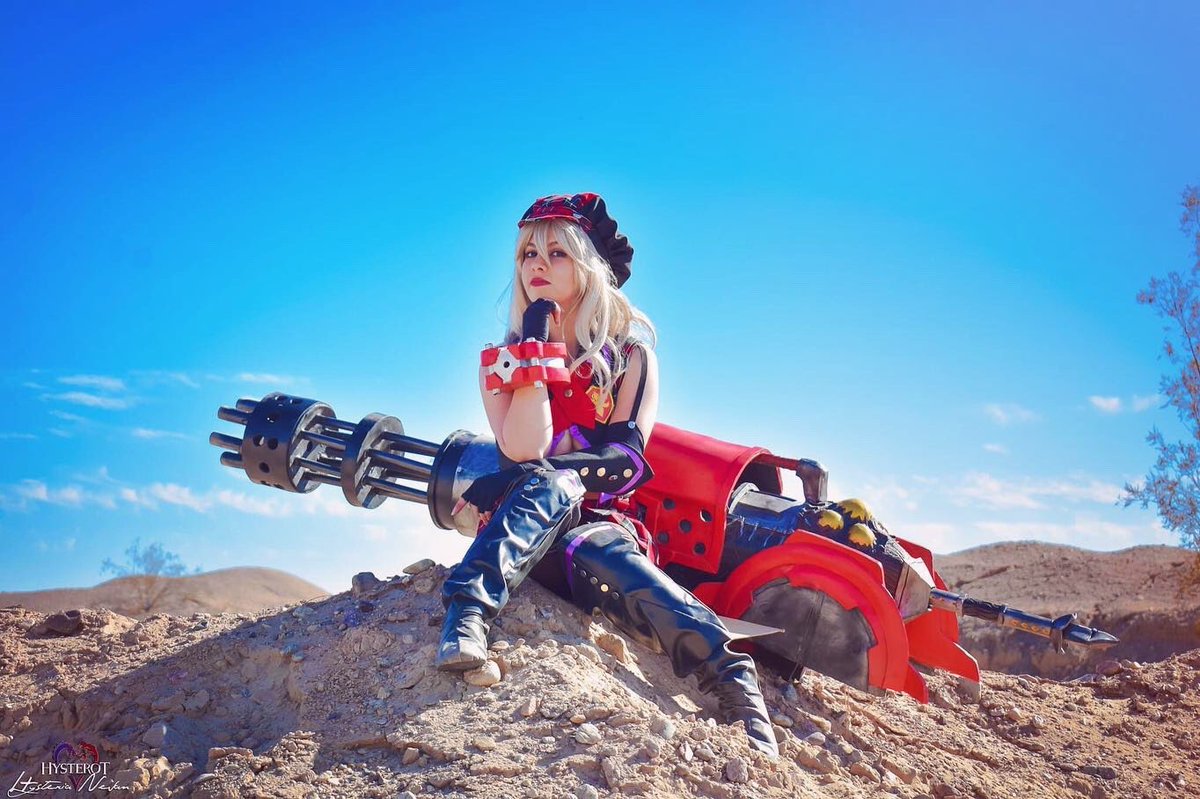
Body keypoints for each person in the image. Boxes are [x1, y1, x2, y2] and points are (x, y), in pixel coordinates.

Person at [439, 193, 778, 758]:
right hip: (524, 538)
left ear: (588, 265)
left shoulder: (630, 356)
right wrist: (536, 352)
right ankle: (469, 611)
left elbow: (624, 464)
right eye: (527, 253)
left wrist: (539, 474)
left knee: (591, 535)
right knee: (550, 485)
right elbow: (525, 450)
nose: (538, 264)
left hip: (601, 528)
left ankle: (731, 677)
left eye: (557, 253)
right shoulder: (503, 360)